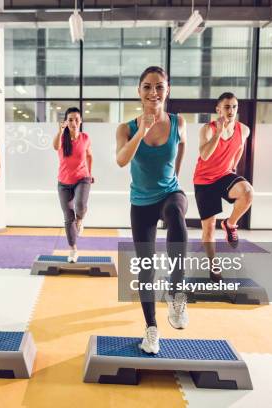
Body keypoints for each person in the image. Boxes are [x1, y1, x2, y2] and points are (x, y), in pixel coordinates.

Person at [116, 66, 189, 355]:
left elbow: (182, 145)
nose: (153, 92)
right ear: (139, 91)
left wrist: (176, 175)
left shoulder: (178, 122)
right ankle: (151, 330)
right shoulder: (126, 128)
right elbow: (122, 160)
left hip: (171, 193)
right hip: (142, 202)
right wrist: (142, 131)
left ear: (167, 90)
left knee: (177, 218)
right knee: (146, 268)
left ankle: (176, 293)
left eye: (159, 86)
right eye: (147, 86)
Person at [193, 92, 253, 282]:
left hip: (224, 176)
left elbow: (241, 147)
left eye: (234, 107)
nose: (231, 111)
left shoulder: (243, 129)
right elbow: (204, 155)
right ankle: (213, 266)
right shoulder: (208, 129)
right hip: (204, 181)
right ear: (218, 110)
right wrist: (218, 133)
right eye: (227, 107)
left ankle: (230, 224)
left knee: (248, 192)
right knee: (209, 228)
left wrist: (233, 165)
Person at [53, 107, 94, 262]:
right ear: (66, 122)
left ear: (81, 121)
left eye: (77, 119)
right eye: (70, 119)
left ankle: (81, 220)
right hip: (63, 182)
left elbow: (89, 156)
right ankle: (73, 250)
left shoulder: (85, 138)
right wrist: (59, 131)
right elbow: (55, 147)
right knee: (68, 217)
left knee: (80, 206)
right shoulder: (61, 139)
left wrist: (90, 173)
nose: (74, 122)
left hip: (82, 178)